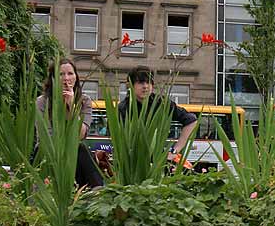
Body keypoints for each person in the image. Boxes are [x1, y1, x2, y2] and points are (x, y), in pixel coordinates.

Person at [36, 58, 103, 189]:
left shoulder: (84, 101)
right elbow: (45, 135)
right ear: (53, 78)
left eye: (70, 74)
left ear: (76, 77)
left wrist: (72, 107)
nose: (66, 78)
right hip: (49, 150)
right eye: (61, 74)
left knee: (81, 149)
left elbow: (81, 135)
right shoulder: (42, 101)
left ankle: (97, 191)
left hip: (74, 151)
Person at [118, 66, 197, 160]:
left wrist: (175, 151)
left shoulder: (161, 103)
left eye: (148, 82)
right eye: (140, 82)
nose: (145, 86)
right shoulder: (122, 108)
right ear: (129, 85)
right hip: (131, 161)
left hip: (158, 161)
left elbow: (191, 120)